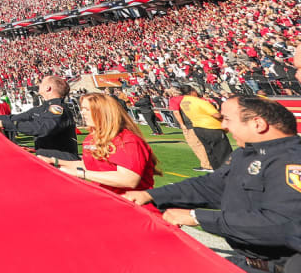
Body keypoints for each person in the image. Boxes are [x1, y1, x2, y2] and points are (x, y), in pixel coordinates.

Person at [124, 95, 301, 272]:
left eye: (227, 119)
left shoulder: (292, 160)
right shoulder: (246, 154)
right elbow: (211, 187)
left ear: (258, 124)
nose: (223, 126)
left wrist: (196, 217)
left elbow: (283, 223)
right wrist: (150, 195)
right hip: (247, 262)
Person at [40, 93, 157, 194]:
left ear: (102, 112)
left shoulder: (127, 140)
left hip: (132, 204)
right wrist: (54, 162)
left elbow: (129, 179)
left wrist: (80, 174)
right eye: (82, 109)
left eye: (87, 109)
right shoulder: (91, 138)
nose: (82, 113)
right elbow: (91, 165)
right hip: (106, 198)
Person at [0, 75, 79, 160]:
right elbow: (13, 118)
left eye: (42, 82)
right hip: (49, 162)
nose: (38, 84)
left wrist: (5, 124)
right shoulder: (42, 108)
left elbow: (43, 128)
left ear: (48, 88)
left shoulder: (58, 108)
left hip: (63, 164)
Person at [182, 85, 232, 171]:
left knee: (210, 152)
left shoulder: (183, 102)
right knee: (223, 151)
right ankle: (229, 171)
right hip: (211, 127)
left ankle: (217, 172)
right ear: (192, 91)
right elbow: (216, 115)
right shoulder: (199, 101)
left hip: (197, 127)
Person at [168, 84, 214, 171]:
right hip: (201, 122)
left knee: (196, 145)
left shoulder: (174, 100)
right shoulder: (190, 98)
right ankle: (212, 163)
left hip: (189, 125)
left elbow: (176, 112)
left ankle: (207, 165)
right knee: (206, 143)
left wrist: (182, 124)